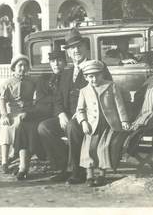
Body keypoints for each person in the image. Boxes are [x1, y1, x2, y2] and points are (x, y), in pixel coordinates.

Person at [38, 27, 112, 184]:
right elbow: (57, 99)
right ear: (69, 53)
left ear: (85, 47)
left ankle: (77, 172)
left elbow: (106, 93)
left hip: (90, 117)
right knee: (44, 127)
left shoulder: (97, 67)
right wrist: (60, 114)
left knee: (72, 126)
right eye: (72, 48)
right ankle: (61, 167)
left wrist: (80, 115)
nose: (76, 50)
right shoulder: (66, 73)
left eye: (79, 46)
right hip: (67, 117)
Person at [76, 60, 130, 187]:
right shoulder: (84, 91)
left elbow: (119, 105)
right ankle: (89, 175)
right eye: (90, 76)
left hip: (108, 125)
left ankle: (101, 175)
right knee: (89, 149)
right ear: (86, 77)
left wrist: (124, 120)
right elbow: (80, 110)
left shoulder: (111, 86)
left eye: (97, 75)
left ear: (102, 74)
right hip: (92, 126)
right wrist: (83, 122)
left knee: (103, 148)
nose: (94, 79)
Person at [0, 54, 43, 180]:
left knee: (23, 126)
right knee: (5, 128)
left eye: (25, 66)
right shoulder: (8, 83)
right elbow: (2, 100)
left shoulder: (32, 81)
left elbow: (38, 95)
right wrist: (4, 115)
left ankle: (17, 156)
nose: (22, 68)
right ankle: (5, 161)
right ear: (14, 68)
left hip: (27, 112)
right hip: (12, 113)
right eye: (20, 66)